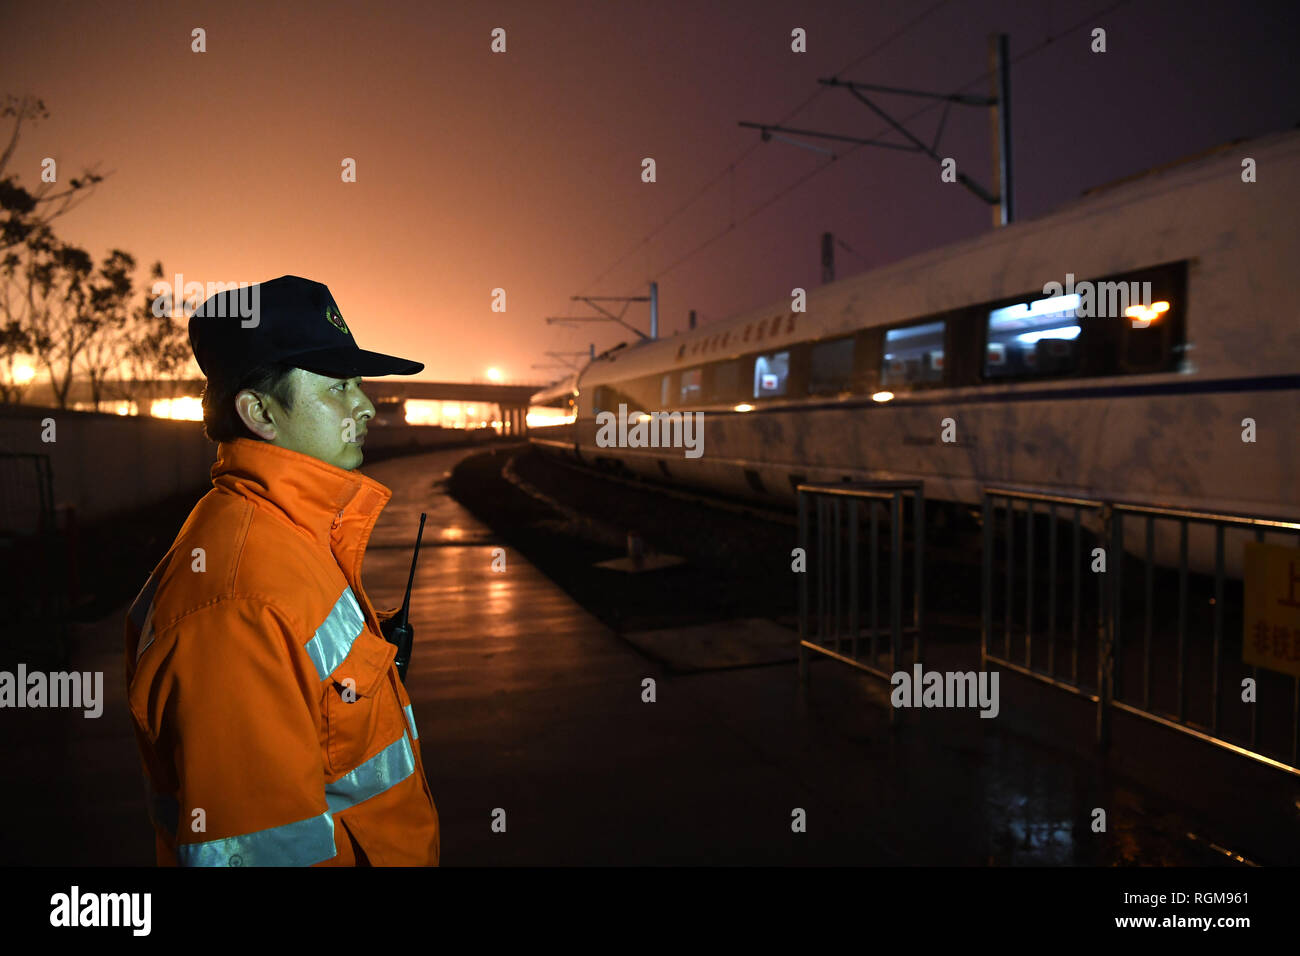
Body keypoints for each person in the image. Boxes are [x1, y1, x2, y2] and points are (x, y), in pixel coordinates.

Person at [123, 275, 439, 866]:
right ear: (260, 411)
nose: (366, 405)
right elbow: (263, 851)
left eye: (359, 384)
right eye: (339, 387)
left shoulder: (290, 537)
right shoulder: (238, 605)